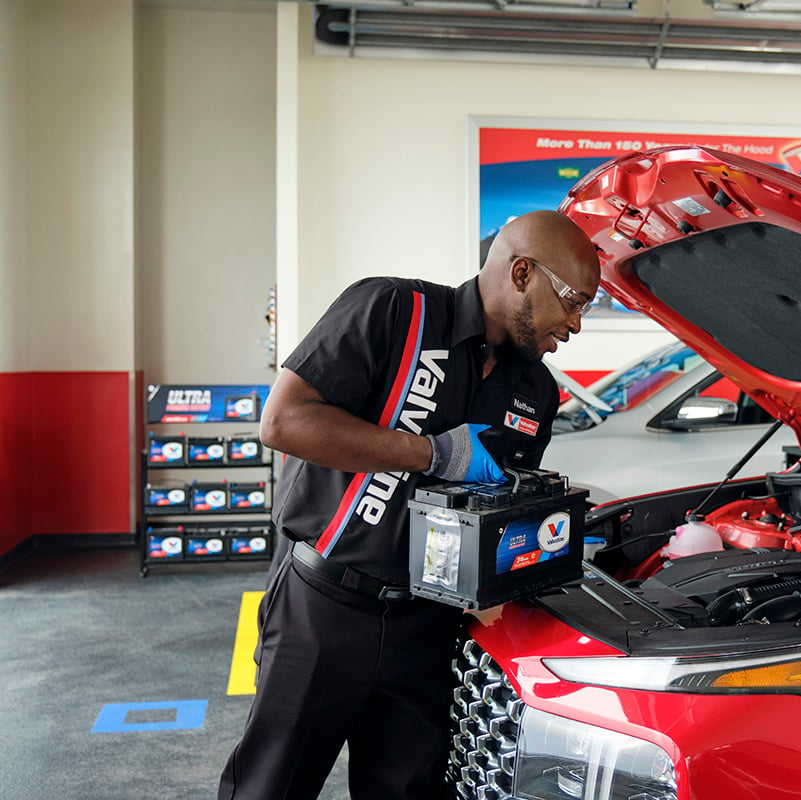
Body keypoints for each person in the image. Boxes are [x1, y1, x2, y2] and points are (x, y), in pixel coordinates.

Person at [218, 210, 601, 800]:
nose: (576, 324)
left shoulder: (536, 391)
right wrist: (430, 453)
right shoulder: (395, 312)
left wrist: (546, 537)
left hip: (429, 626)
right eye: (573, 300)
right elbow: (283, 421)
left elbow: (504, 518)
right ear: (521, 272)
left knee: (406, 791)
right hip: (323, 609)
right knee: (270, 786)